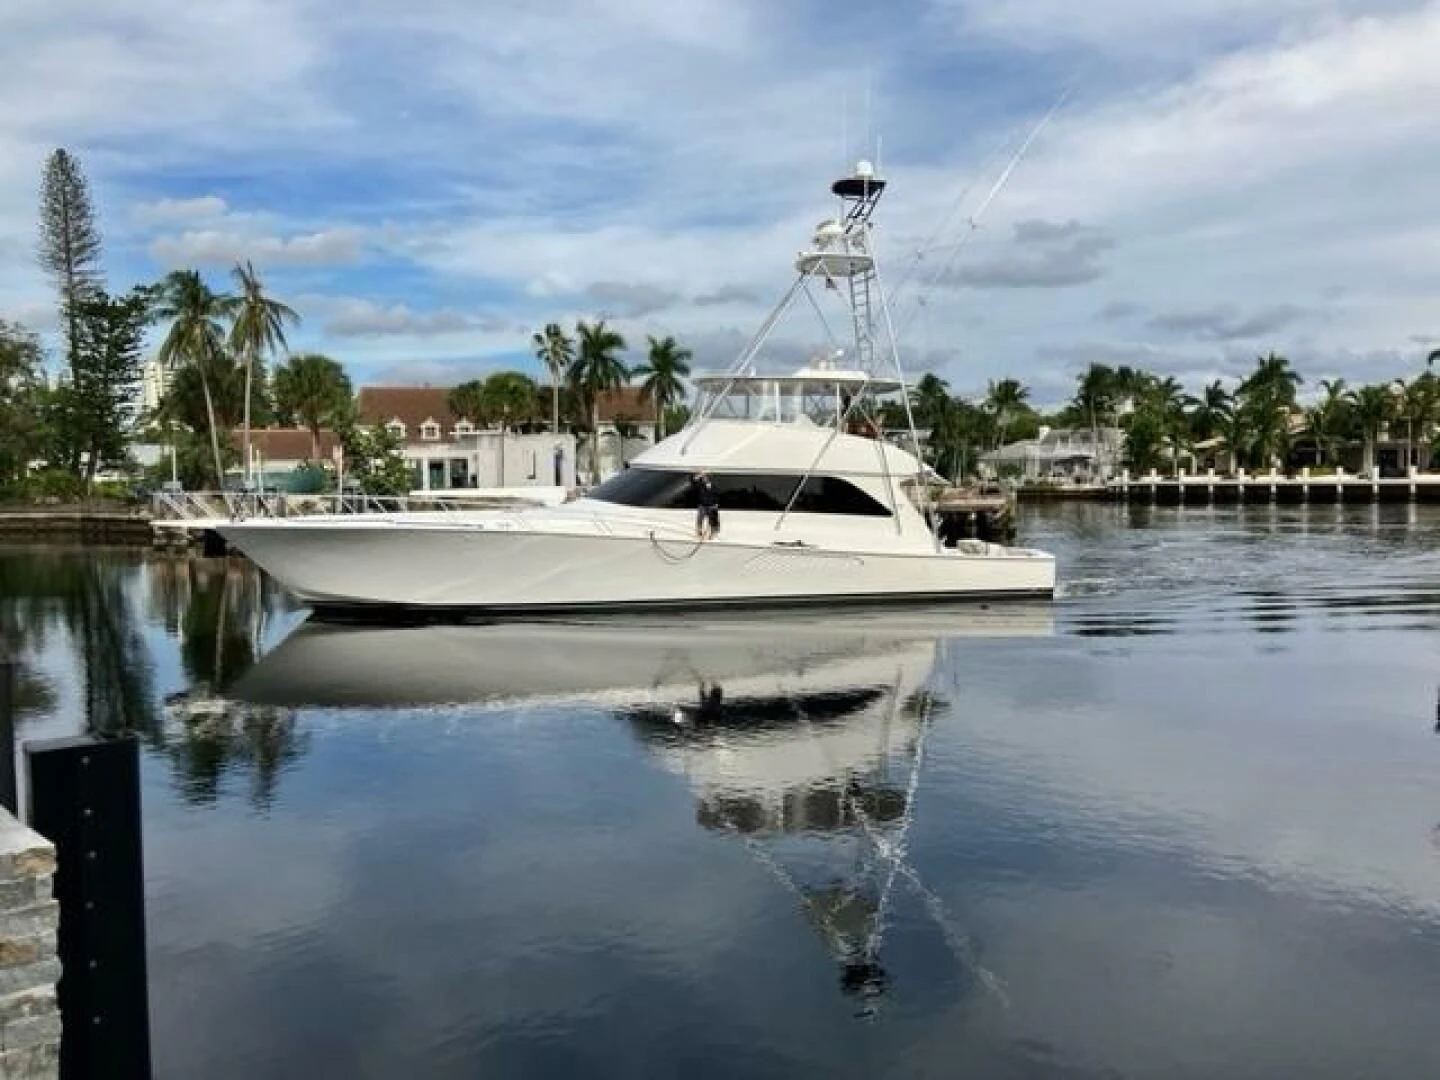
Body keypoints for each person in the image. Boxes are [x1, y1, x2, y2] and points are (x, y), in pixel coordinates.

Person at [691, 470, 720, 539]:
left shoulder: (713, 486)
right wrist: (699, 475)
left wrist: (716, 504)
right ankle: (699, 532)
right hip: (702, 505)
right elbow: (693, 481)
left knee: (713, 520)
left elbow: (717, 494)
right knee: (700, 519)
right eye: (704, 478)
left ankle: (713, 533)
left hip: (711, 505)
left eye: (706, 478)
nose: (705, 480)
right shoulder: (700, 485)